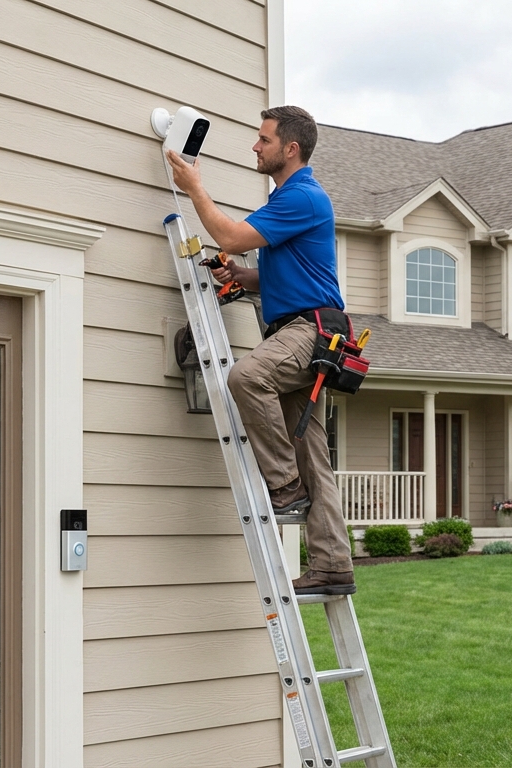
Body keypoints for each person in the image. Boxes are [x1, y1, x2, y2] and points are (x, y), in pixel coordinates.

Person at [166, 106, 355, 595]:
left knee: (247, 376)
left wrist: (195, 188)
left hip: (309, 330)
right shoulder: (288, 201)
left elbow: (230, 235)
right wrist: (241, 275)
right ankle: (333, 565)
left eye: (264, 140)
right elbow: (283, 274)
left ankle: (285, 489)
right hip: (303, 330)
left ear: (290, 149)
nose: (255, 146)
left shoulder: (303, 197)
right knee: (312, 453)